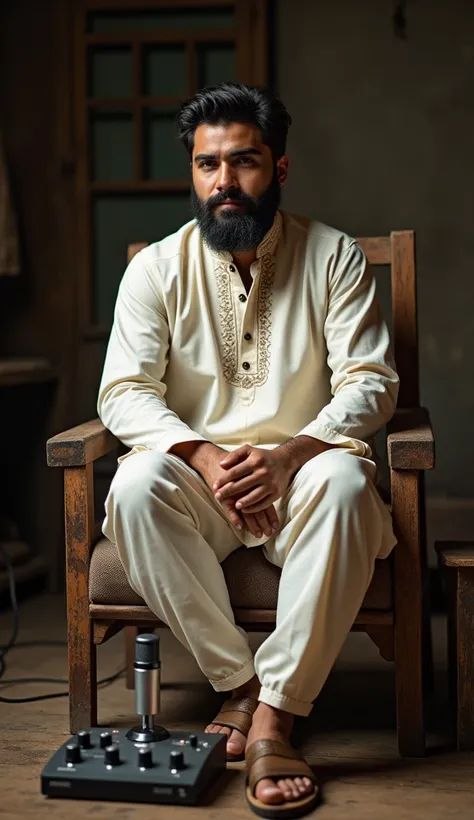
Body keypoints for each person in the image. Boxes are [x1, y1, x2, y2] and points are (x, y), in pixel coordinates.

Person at [98, 82, 399, 818]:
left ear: (281, 168)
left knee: (351, 484)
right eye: (208, 165)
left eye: (244, 162)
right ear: (192, 173)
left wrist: (288, 457)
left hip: (304, 476)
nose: (224, 183)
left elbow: (371, 383)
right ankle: (239, 685)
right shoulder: (155, 269)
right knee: (134, 488)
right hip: (202, 483)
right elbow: (124, 393)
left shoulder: (333, 257)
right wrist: (201, 456)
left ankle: (277, 715)